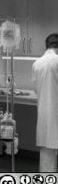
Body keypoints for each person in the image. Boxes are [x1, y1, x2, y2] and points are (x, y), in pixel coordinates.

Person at [32, 33, 58, 172]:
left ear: (46, 46)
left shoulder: (37, 63)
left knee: (47, 152)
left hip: (45, 111)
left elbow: (36, 89)